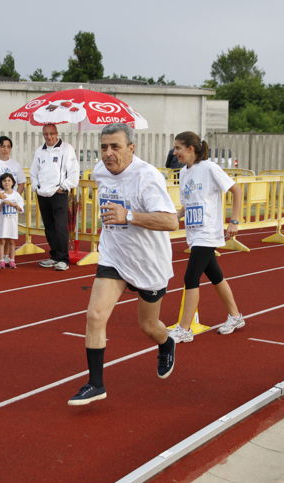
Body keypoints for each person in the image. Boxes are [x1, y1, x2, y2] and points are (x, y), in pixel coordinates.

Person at [68, 123, 179, 406]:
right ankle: (96, 384)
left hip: (148, 262)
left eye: (115, 147)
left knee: (148, 325)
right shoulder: (100, 171)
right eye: (103, 147)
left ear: (131, 148)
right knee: (95, 316)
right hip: (114, 256)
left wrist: (128, 215)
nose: (108, 153)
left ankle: (166, 342)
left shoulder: (147, 177)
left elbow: (170, 221)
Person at [167, 131, 245, 344]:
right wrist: (176, 216)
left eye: (178, 148)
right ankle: (235, 316)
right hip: (194, 233)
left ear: (190, 148)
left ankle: (185, 329)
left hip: (208, 232)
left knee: (191, 278)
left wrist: (234, 221)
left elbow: (237, 191)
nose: (175, 152)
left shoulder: (209, 168)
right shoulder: (184, 172)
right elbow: (188, 203)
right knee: (215, 275)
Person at [29, 124, 80, 271]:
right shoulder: (40, 150)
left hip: (58, 193)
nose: (49, 137)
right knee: (49, 227)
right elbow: (34, 171)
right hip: (42, 193)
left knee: (60, 226)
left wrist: (63, 187)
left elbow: (74, 171)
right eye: (46, 134)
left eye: (51, 133)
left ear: (57, 133)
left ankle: (63, 259)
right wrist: (35, 186)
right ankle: (55, 256)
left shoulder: (66, 149)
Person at [0, 172, 24, 269]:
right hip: (2, 222)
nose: (6, 183)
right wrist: (2, 203)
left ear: (12, 182)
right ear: (1, 182)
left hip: (12, 222)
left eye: (9, 180)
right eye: (4, 181)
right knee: (1, 241)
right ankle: (1, 260)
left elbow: (21, 209)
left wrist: (14, 205)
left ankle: (12, 260)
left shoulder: (16, 195)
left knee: (11, 241)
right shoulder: (0, 195)